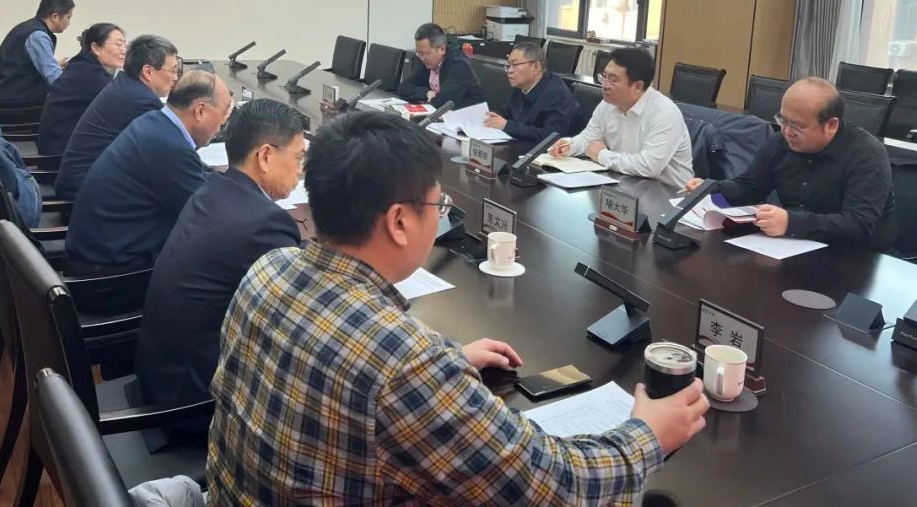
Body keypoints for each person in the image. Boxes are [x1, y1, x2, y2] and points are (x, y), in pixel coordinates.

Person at [207, 111, 708, 505]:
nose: (439, 216)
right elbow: (553, 487)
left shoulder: (269, 268)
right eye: (437, 206)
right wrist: (648, 436)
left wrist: (445, 366)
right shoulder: (403, 365)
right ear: (399, 222)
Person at [135, 99, 307, 441]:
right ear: (266, 155)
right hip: (192, 404)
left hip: (161, 374)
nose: (300, 170)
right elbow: (300, 320)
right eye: (299, 157)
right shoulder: (264, 224)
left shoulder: (214, 188)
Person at [684, 77, 896, 248]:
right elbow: (750, 186)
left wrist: (790, 223)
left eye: (797, 126)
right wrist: (711, 188)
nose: (787, 132)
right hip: (792, 246)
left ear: (831, 125)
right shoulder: (781, 142)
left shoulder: (866, 155)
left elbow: (859, 225)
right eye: (783, 120)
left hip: (856, 257)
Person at [64, 70, 233, 277]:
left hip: (99, 253)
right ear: (200, 111)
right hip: (111, 274)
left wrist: (228, 181)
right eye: (224, 117)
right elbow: (212, 216)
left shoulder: (155, 122)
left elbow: (192, 176)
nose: (222, 127)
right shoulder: (169, 147)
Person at [549, 47, 693, 189]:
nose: (604, 85)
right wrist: (569, 145)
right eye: (604, 77)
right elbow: (589, 139)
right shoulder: (608, 104)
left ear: (638, 86)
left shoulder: (664, 113)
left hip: (669, 194)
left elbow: (648, 166)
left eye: (613, 80)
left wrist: (601, 155)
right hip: (627, 184)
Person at [55, 35, 178, 198]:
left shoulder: (126, 86)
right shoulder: (142, 102)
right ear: (148, 72)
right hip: (87, 190)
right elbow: (171, 153)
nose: (176, 77)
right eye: (173, 71)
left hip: (83, 179)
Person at [36, 23, 127, 156]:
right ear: (95, 48)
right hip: (62, 155)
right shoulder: (91, 76)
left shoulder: (82, 65)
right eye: (118, 44)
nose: (124, 50)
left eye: (124, 44)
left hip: (58, 147)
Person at [0, 0, 74, 108]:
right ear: (54, 17)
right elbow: (55, 80)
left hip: (8, 96)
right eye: (68, 17)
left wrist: (56, 65)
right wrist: (78, 78)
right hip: (15, 105)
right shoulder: (38, 36)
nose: (69, 23)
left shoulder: (29, 27)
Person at [484, 41, 579, 142]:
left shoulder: (558, 95)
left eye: (515, 64)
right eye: (509, 65)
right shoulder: (522, 85)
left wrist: (507, 126)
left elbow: (550, 136)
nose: (510, 71)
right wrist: (489, 117)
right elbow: (507, 111)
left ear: (536, 67)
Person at [397, 22, 485, 109]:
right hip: (443, 113)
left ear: (442, 49)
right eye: (419, 53)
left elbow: (442, 103)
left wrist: (426, 99)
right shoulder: (426, 61)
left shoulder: (459, 65)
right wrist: (426, 93)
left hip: (468, 115)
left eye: (424, 53)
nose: (422, 58)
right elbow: (402, 88)